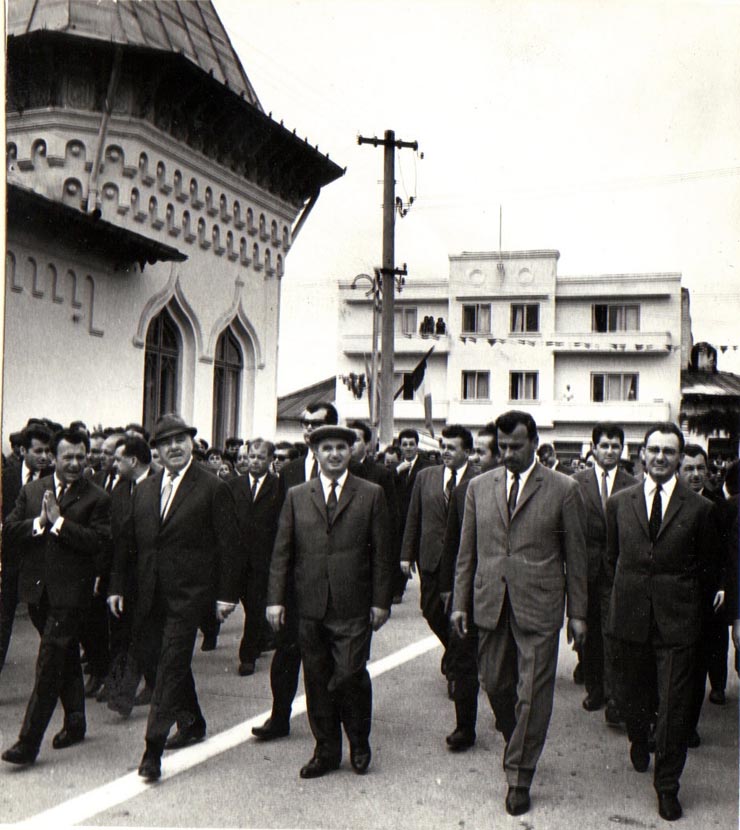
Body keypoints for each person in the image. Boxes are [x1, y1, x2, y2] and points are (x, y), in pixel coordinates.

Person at [451, 410, 587, 816]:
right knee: (494, 682)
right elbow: (467, 552)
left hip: (540, 606)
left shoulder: (564, 488)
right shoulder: (479, 486)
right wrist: (460, 601)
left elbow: (576, 557)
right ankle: (518, 737)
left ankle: (519, 776)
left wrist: (578, 613)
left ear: (534, 443)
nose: (507, 453)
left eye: (516, 446)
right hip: (490, 601)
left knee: (533, 693)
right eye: (502, 446)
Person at [107, 413, 241, 782]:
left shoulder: (213, 487)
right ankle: (193, 721)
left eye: (181, 440)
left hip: (189, 597)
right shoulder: (147, 489)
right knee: (156, 661)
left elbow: (230, 547)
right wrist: (117, 586)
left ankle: (151, 751)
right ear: (157, 451)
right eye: (166, 443)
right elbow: (128, 544)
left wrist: (227, 596)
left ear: (192, 444)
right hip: (148, 595)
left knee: (168, 667)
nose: (175, 447)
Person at [605, 422, 720, 822]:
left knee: (673, 708)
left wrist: (691, 614)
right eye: (654, 450)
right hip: (630, 617)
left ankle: (667, 785)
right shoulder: (619, 503)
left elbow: (707, 569)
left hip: (678, 623)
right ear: (642, 454)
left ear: (679, 456)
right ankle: (638, 736)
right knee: (632, 697)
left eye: (669, 452)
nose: (660, 458)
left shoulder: (701, 509)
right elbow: (612, 557)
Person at [266, 425, 393, 778]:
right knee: (317, 679)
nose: (334, 454)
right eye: (327, 449)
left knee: (351, 675)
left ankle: (359, 740)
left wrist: (381, 601)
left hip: (353, 605)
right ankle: (325, 750)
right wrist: (275, 600)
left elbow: (383, 553)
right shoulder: (296, 495)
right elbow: (282, 553)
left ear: (350, 452)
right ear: (316, 454)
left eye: (341, 447)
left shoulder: (371, 494)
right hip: (310, 605)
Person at [2, 428, 111, 766]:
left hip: (71, 595)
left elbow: (97, 541)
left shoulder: (97, 498)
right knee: (61, 657)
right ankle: (76, 720)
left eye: (81, 457)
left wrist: (60, 523)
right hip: (37, 592)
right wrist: (39, 522)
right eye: (68, 457)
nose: (75, 463)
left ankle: (28, 742)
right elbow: (9, 529)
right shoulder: (34, 490)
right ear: (55, 457)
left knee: (49, 662)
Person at [252, 402, 339, 742]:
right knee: (286, 654)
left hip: (331, 582)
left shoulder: (347, 469)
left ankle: (330, 727)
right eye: (304, 423)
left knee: (326, 659)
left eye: (314, 424)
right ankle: (279, 717)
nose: (307, 430)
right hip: (294, 582)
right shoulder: (288, 472)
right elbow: (278, 531)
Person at [401, 425, 476, 685]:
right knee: (431, 610)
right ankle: (455, 652)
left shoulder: (477, 480)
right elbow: (414, 516)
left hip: (463, 560)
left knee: (458, 612)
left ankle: (457, 668)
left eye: (452, 448)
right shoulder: (426, 476)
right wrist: (406, 554)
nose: (445, 452)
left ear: (467, 452)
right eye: (443, 446)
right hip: (431, 557)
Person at [572, 423, 637, 723]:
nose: (610, 451)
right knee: (588, 634)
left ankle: (615, 697)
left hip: (618, 571)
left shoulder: (632, 483)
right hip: (585, 571)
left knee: (614, 634)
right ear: (594, 448)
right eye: (605, 445)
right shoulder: (575, 483)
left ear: (622, 450)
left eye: (615, 446)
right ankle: (594, 688)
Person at [678, 444, 728, 744]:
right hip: (673, 596)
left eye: (700, 468)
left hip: (707, 597)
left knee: (697, 664)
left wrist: (722, 587)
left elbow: (727, 553)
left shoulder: (717, 507)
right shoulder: (669, 503)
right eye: (689, 468)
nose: (696, 475)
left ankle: (688, 724)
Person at [0, 423, 54, 672]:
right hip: (9, 561)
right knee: (2, 622)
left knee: (44, 621)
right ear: (22, 450)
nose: (44, 457)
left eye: (48, 451)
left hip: (40, 563)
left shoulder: (55, 479)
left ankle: (57, 675)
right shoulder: (5, 477)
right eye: (38, 451)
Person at [228, 439, 282, 677]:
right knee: (245, 603)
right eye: (251, 457)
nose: (255, 462)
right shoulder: (233, 485)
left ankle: (247, 656)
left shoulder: (279, 487)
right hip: (237, 557)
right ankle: (262, 637)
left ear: (271, 460)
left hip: (263, 559)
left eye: (261, 457)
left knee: (255, 606)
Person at [394, 429, 432, 603]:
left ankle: (427, 593)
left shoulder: (426, 467)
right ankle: (397, 591)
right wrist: (396, 471)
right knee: (399, 557)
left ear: (417, 446)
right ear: (400, 446)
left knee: (422, 560)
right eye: (405, 444)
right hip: (400, 521)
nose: (408, 448)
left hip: (420, 521)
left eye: (411, 444)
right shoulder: (395, 467)